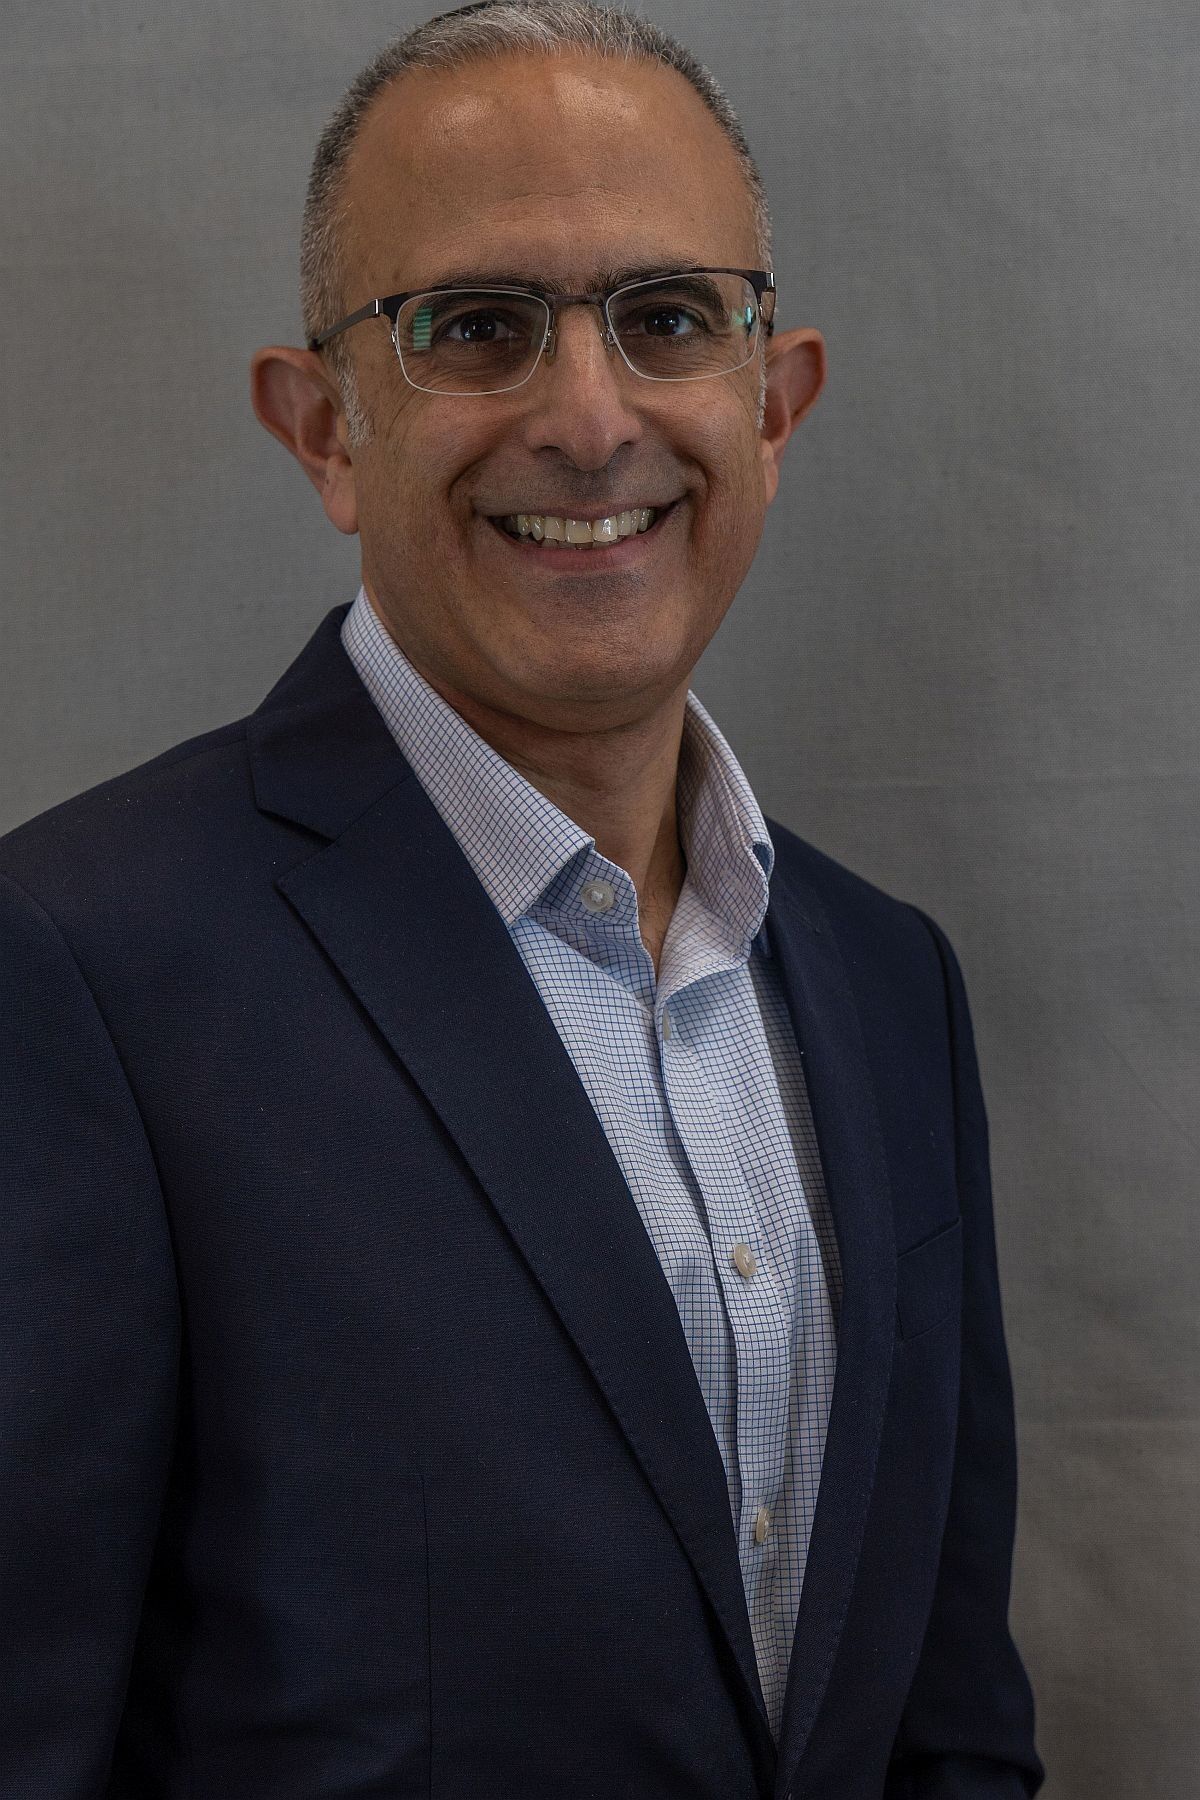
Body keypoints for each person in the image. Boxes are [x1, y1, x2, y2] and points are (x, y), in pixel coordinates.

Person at [0, 3, 1045, 1795]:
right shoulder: (79, 968)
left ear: (772, 403)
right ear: (326, 430)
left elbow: (948, 1728)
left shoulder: (889, 986)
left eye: (668, 320)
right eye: (476, 328)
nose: (588, 418)